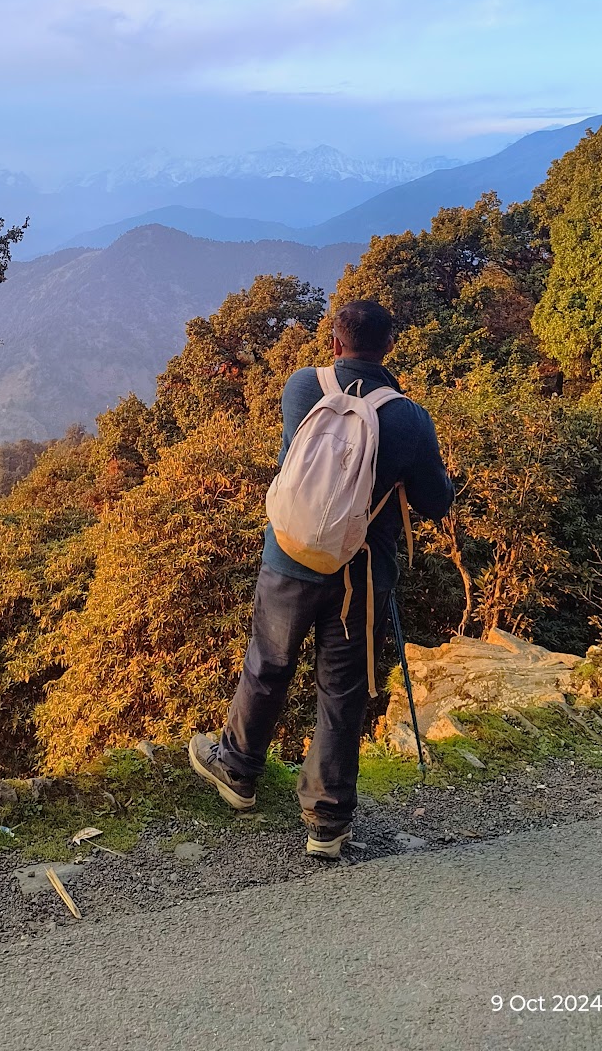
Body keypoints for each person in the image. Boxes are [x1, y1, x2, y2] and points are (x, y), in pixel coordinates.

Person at [187, 298, 453, 859]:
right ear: (389, 347)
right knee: (341, 691)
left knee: (268, 664)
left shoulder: (301, 387)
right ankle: (326, 823)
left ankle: (237, 770)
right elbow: (436, 503)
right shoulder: (407, 417)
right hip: (360, 576)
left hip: (288, 559)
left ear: (335, 342)